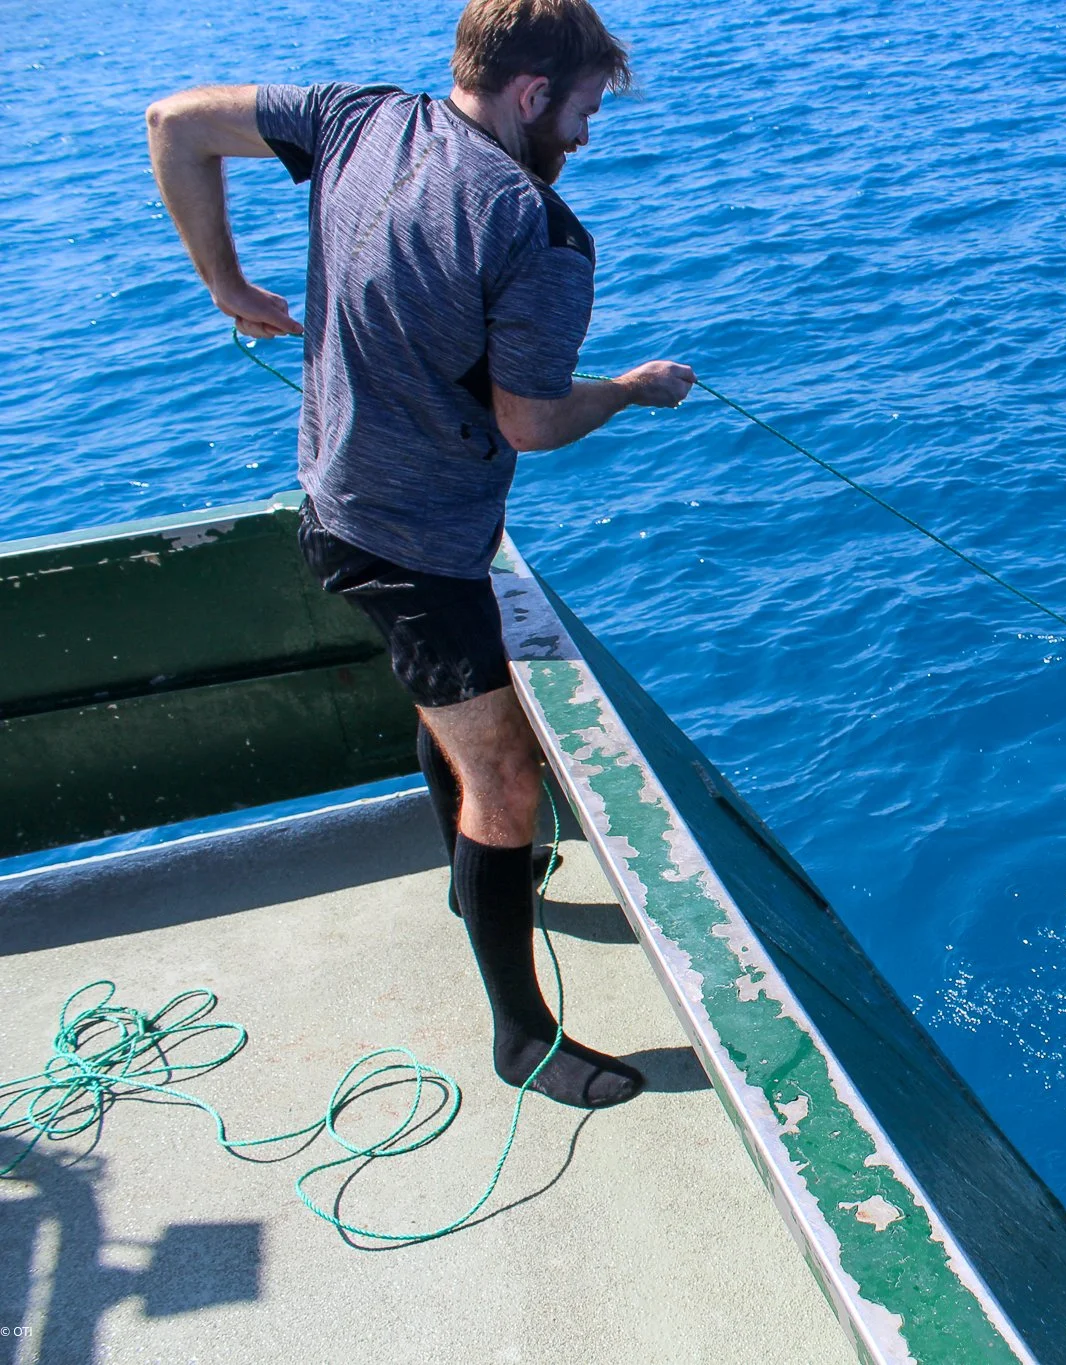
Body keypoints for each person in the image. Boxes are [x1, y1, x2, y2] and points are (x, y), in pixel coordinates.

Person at [145, 0, 691, 1109]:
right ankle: (522, 1039)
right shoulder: (539, 233)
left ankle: (469, 883)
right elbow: (530, 421)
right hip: (417, 546)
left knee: (444, 702)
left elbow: (175, 122)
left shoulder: (355, 118)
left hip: (333, 500)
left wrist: (226, 286)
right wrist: (629, 393)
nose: (584, 137)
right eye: (584, 110)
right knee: (506, 774)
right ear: (533, 93)